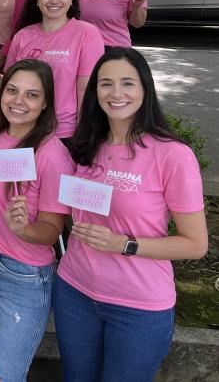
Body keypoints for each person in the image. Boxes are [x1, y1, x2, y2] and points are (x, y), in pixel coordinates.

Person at [56, 47, 208, 381]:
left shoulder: (172, 155)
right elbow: (73, 212)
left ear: (145, 89)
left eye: (127, 83)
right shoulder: (84, 146)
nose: (116, 93)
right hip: (74, 292)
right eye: (106, 84)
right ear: (94, 91)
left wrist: (124, 244)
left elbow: (195, 244)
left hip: (138, 305)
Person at [0, 58, 74, 382]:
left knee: (1, 374)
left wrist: (24, 228)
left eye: (31, 95)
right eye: (12, 90)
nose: (18, 101)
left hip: (21, 275)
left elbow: (52, 231)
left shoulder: (52, 154)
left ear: (46, 104)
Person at [6, 0, 104, 138]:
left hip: (64, 133)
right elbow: (8, 88)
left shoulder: (87, 33)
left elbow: (86, 91)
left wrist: (83, 136)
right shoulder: (22, 36)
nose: (55, 0)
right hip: (22, 130)